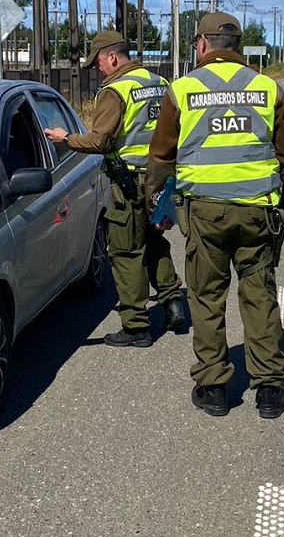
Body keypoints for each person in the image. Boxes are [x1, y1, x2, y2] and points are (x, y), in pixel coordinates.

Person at [144, 13, 284, 419]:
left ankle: (213, 387)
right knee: (259, 295)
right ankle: (269, 389)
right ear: (236, 45)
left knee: (206, 297)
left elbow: (162, 157)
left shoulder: (181, 90)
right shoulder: (269, 89)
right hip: (258, 214)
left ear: (201, 44)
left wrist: (155, 206)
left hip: (204, 215)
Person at [45, 30, 185, 348]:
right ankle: (173, 302)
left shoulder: (115, 90)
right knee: (154, 240)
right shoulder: (159, 83)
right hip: (160, 179)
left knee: (125, 251)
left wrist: (65, 138)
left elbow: (101, 141)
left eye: (97, 63)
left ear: (111, 56)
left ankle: (136, 326)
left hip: (129, 182)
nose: (97, 70)